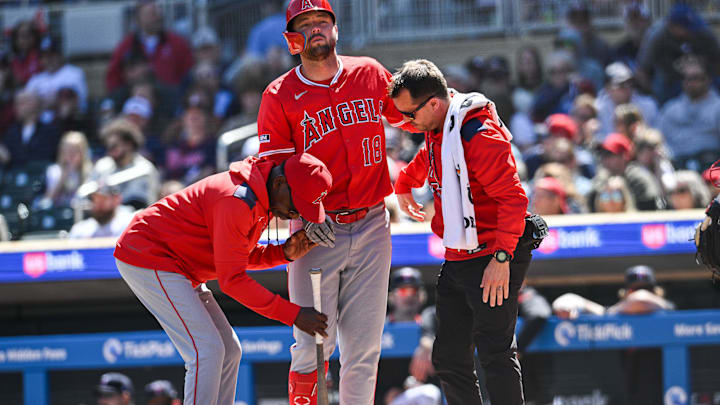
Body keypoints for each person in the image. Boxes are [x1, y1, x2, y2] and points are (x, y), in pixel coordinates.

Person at [256, 1, 416, 404]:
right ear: (293, 37)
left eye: (321, 22)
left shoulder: (369, 73)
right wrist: (306, 214)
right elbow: (273, 174)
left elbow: (415, 117)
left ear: (335, 29)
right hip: (314, 233)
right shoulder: (279, 95)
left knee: (363, 350)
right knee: (311, 344)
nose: (315, 30)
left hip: (371, 223)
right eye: (305, 24)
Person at [113, 153, 332, 404]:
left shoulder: (260, 195)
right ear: (279, 182)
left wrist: (282, 253)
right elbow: (232, 280)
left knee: (229, 352)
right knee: (207, 350)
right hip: (148, 254)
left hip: (179, 264)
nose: (296, 214)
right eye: (297, 204)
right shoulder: (237, 199)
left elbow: (232, 255)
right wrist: (293, 314)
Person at [391, 59, 534, 405]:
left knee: (495, 354)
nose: (405, 124)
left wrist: (502, 258)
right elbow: (430, 154)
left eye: (410, 115)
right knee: (449, 358)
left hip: (492, 254)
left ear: (435, 104)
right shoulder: (442, 126)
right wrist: (405, 184)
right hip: (459, 253)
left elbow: (514, 200)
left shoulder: (477, 133)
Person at [105, 0, 193, 92]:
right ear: (138, 19)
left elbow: (187, 73)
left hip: (171, 100)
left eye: (158, 13)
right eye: (151, 14)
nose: (157, 18)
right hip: (137, 99)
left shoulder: (177, 43)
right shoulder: (126, 45)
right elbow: (113, 77)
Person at [659, 56, 720, 172]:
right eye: (687, 79)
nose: (691, 82)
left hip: (712, 165)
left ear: (708, 79)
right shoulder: (670, 109)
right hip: (678, 165)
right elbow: (660, 140)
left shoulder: (717, 107)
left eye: (696, 78)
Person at [89, 118, 160, 209]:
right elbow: (89, 195)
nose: (111, 152)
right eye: (108, 147)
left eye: (114, 146)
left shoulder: (145, 169)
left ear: (129, 144)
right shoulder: (102, 166)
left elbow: (139, 203)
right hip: (104, 219)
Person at [69, 180, 134, 239]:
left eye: (103, 199)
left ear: (116, 199)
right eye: (95, 199)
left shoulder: (129, 225)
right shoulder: (80, 230)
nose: (98, 204)